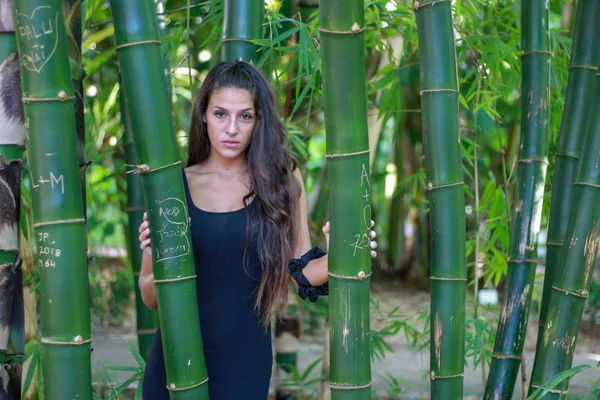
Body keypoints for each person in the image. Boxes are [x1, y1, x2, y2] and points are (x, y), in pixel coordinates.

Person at [137, 60, 377, 399]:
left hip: (244, 358)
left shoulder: (282, 181)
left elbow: (301, 273)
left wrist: (346, 250)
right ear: (203, 114)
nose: (232, 128)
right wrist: (155, 252)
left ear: (259, 120)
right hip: (175, 361)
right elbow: (149, 296)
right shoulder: (173, 186)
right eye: (221, 114)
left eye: (245, 116)